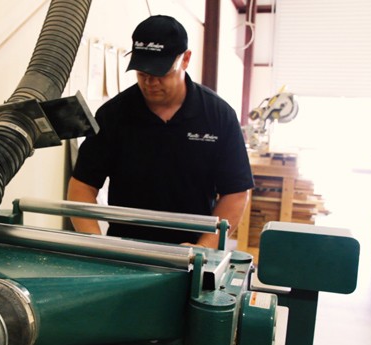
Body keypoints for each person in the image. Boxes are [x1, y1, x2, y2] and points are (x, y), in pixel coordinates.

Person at [67, 15, 254, 249]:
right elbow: (82, 185)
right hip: (126, 249)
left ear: (185, 59)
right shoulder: (113, 115)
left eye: (160, 73)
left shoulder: (218, 116)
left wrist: (206, 246)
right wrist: (96, 243)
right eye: (142, 73)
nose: (150, 82)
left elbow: (235, 192)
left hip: (192, 253)